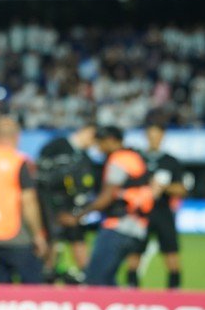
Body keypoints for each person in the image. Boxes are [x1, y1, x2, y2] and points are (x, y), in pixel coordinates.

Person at [65, 125, 158, 286]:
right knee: (107, 279)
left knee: (95, 279)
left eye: (100, 142)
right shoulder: (134, 156)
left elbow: (106, 198)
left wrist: (77, 216)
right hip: (136, 226)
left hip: (119, 226)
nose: (98, 147)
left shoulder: (119, 159)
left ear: (110, 140)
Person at [0, 116, 48, 284]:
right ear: (17, 137)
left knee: (0, 286)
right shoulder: (19, 161)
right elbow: (28, 201)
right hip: (13, 235)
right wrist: (38, 235)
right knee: (33, 287)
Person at [125, 122, 188, 288]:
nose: (154, 140)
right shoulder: (138, 159)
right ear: (146, 136)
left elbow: (181, 189)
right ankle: (132, 290)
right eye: (150, 136)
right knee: (134, 253)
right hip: (140, 213)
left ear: (162, 137)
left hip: (162, 212)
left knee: (171, 254)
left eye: (157, 136)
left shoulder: (170, 162)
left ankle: (174, 291)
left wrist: (162, 187)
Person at [36, 123, 96, 283]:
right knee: (54, 239)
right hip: (51, 206)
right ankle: (47, 277)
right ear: (83, 131)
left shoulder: (85, 156)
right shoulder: (57, 146)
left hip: (74, 208)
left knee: (78, 239)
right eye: (92, 136)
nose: (93, 141)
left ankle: (88, 278)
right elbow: (41, 174)